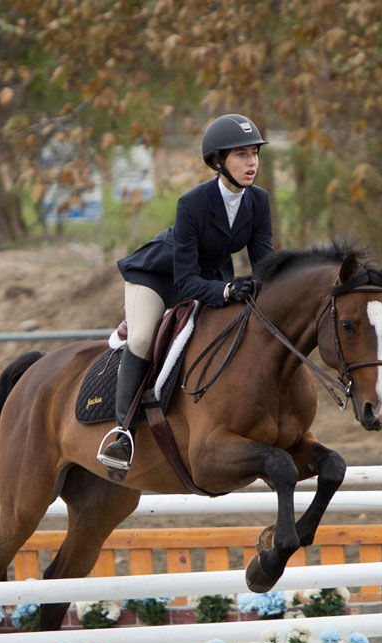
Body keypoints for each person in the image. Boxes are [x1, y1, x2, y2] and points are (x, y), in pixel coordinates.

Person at [97, 113, 275, 472]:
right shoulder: (192, 203)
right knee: (144, 337)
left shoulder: (259, 201)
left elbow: (265, 265)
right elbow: (185, 283)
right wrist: (227, 289)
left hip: (207, 278)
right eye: (241, 154)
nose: (251, 162)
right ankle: (122, 434)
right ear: (218, 162)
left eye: (254, 153)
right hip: (158, 277)